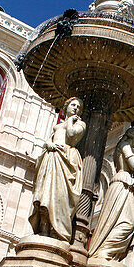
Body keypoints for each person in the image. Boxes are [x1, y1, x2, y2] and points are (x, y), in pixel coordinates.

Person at [29, 98, 87, 242]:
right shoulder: (58, 126)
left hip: (66, 158)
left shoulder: (80, 124)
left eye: (79, 107)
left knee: (60, 197)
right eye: (73, 105)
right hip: (52, 157)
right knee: (44, 198)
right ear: (66, 107)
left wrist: (70, 122)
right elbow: (50, 139)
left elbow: (72, 135)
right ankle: (43, 230)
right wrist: (49, 144)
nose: (76, 109)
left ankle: (57, 232)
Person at [88, 126, 134, 261]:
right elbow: (133, 164)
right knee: (126, 224)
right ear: (133, 136)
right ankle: (104, 252)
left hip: (123, 184)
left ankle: (105, 252)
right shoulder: (126, 145)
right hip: (123, 184)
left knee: (117, 221)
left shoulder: (123, 146)